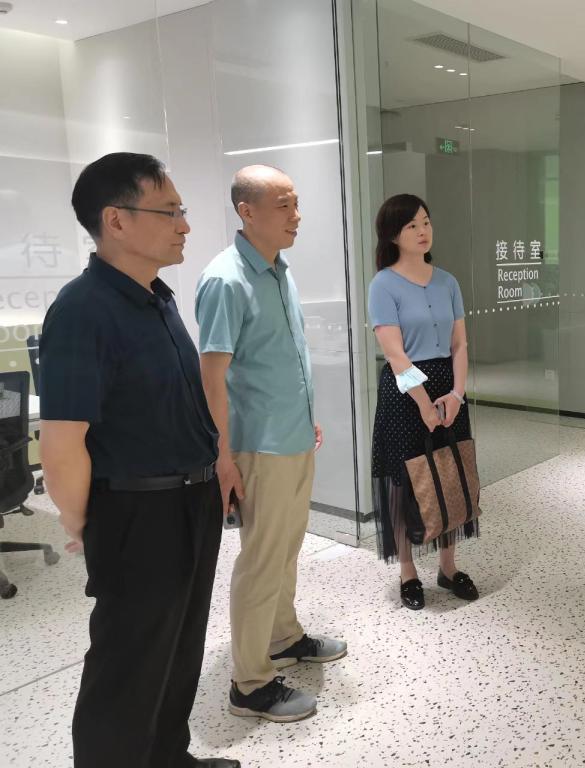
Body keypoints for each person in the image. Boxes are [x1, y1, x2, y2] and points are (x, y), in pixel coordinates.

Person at [38, 152, 240, 768]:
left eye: (182, 210)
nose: (184, 224)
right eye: (169, 211)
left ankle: (169, 758)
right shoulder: (82, 310)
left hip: (190, 502)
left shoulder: (157, 298)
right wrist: (87, 521)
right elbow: (62, 442)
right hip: (137, 513)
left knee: (178, 650)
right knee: (127, 669)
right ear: (116, 220)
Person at [195, 165, 345, 724]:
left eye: (296, 203)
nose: (296, 215)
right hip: (258, 445)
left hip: (293, 435)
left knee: (285, 548)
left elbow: (280, 359)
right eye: (284, 205)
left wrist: (306, 418)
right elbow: (213, 378)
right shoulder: (225, 280)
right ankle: (250, 683)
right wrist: (222, 456)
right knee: (261, 559)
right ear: (247, 212)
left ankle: (283, 637)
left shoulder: (280, 271)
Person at [368, 193, 479, 610]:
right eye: (412, 225)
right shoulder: (383, 284)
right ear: (392, 235)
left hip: (448, 388)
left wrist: (456, 394)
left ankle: (448, 568)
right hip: (405, 392)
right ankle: (408, 571)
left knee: (449, 471)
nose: (422, 231)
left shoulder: (448, 281)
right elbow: (395, 355)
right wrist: (423, 403)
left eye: (426, 222)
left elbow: (459, 344)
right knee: (404, 480)